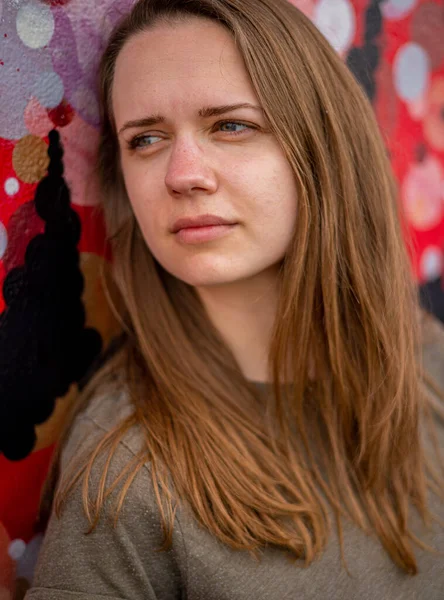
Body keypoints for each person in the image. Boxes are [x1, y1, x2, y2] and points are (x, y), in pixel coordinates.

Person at [26, 0, 444, 598]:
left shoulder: (428, 364)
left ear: (322, 147)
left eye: (231, 125)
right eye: (145, 138)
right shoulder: (125, 476)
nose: (182, 173)